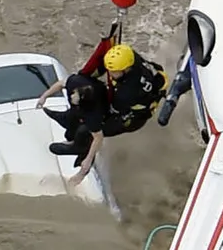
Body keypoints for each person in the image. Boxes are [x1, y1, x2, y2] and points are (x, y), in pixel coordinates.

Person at [36, 44, 168, 186]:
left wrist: (87, 161)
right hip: (146, 83)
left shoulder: (126, 94)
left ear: (125, 69)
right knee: (84, 108)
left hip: (132, 117)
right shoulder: (128, 56)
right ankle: (69, 120)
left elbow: (100, 131)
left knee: (86, 130)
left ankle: (81, 150)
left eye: (113, 71)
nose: (109, 73)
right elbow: (67, 82)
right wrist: (45, 96)